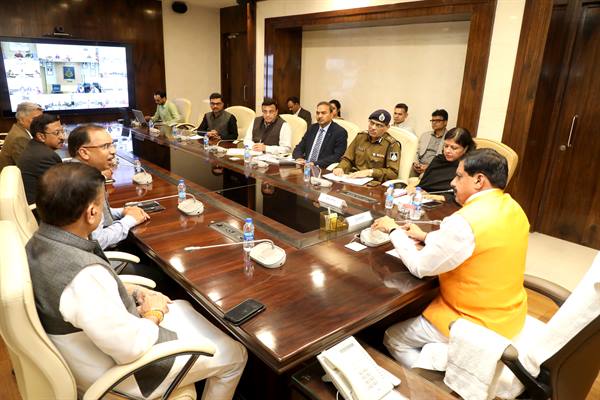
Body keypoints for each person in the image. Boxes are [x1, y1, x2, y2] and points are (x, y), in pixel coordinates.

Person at [27, 162, 247, 399]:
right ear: (91, 213)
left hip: (97, 349)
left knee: (181, 305)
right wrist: (154, 314)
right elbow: (131, 349)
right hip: (125, 375)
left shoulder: (39, 242)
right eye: (101, 204)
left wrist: (133, 292)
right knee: (235, 354)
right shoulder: (83, 276)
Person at [371, 149, 529, 368]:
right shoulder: (513, 208)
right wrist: (426, 236)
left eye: (459, 176)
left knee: (393, 338)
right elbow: (476, 244)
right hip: (510, 314)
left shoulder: (465, 221)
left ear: (479, 180)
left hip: (473, 321)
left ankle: (427, 383)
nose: (453, 182)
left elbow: (420, 267)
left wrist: (393, 230)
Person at [68, 124, 149, 250]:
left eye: (112, 144)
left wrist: (123, 212)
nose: (113, 151)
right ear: (84, 152)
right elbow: (97, 241)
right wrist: (129, 220)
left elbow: (97, 214)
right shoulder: (84, 184)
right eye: (105, 146)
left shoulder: (73, 171)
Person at [332, 109, 401, 182]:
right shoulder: (360, 137)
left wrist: (370, 172)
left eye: (379, 125)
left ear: (387, 127)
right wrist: (341, 167)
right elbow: (348, 159)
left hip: (373, 183)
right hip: (353, 178)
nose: (373, 127)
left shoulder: (392, 145)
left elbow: (393, 173)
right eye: (372, 123)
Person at [410, 127, 476, 199]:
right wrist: (417, 190)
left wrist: (434, 197)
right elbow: (423, 184)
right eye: (446, 146)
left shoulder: (468, 167)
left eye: (454, 148)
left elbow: (460, 195)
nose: (447, 151)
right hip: (423, 198)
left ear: (465, 148)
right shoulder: (438, 160)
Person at [16, 114, 63, 204]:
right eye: (57, 133)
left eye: (62, 131)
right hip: (41, 207)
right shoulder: (45, 157)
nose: (62, 137)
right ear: (41, 136)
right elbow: (63, 188)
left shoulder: (33, 146)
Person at [292, 101, 347, 168]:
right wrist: (299, 158)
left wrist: (314, 163)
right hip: (305, 167)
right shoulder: (312, 128)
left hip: (322, 168)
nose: (320, 116)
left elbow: (337, 156)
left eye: (323, 113)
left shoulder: (340, 132)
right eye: (318, 113)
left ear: (331, 114)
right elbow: (299, 147)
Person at [0, 102, 43, 171]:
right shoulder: (20, 138)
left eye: (41, 118)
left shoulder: (20, 130)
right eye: (35, 119)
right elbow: (29, 168)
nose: (41, 122)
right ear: (22, 120)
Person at [413, 109, 448, 176]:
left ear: (445, 122)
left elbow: (445, 160)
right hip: (419, 165)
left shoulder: (449, 138)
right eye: (433, 120)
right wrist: (415, 163)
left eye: (438, 120)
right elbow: (416, 151)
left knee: (422, 176)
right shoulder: (425, 135)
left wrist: (429, 167)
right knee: (404, 174)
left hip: (434, 168)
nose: (434, 123)